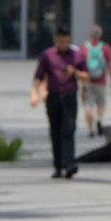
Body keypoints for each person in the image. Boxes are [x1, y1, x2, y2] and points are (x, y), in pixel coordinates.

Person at [30, 24, 89, 179]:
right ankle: (58, 166)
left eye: (67, 41)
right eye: (61, 41)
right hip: (54, 96)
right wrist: (34, 93)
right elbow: (38, 76)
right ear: (56, 39)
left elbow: (86, 76)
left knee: (69, 129)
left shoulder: (76, 55)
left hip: (70, 96)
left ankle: (70, 163)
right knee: (55, 131)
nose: (64, 44)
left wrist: (75, 73)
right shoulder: (47, 55)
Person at [80, 24, 111, 137]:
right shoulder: (105, 47)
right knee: (101, 103)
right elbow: (110, 65)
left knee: (87, 105)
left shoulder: (83, 48)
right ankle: (99, 120)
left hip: (87, 80)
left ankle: (91, 130)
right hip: (101, 81)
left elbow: (79, 66)